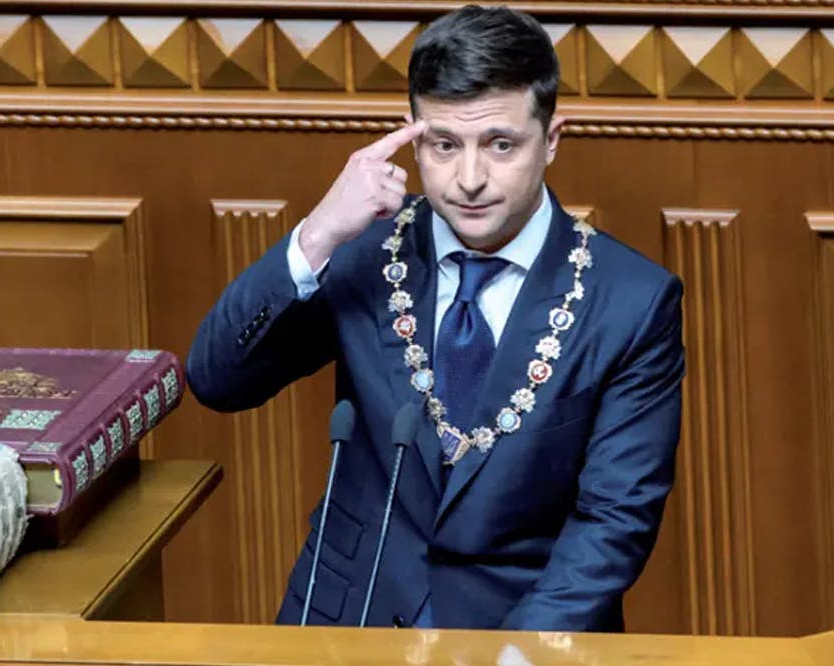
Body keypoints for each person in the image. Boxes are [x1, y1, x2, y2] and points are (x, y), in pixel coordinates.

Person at [185, 4, 684, 632]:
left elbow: (614, 524)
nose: (469, 179)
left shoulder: (633, 302)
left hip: (521, 634)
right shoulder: (363, 250)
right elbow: (217, 379)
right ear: (412, 134)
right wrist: (317, 235)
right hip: (345, 621)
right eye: (444, 145)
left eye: (500, 145)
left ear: (552, 139)